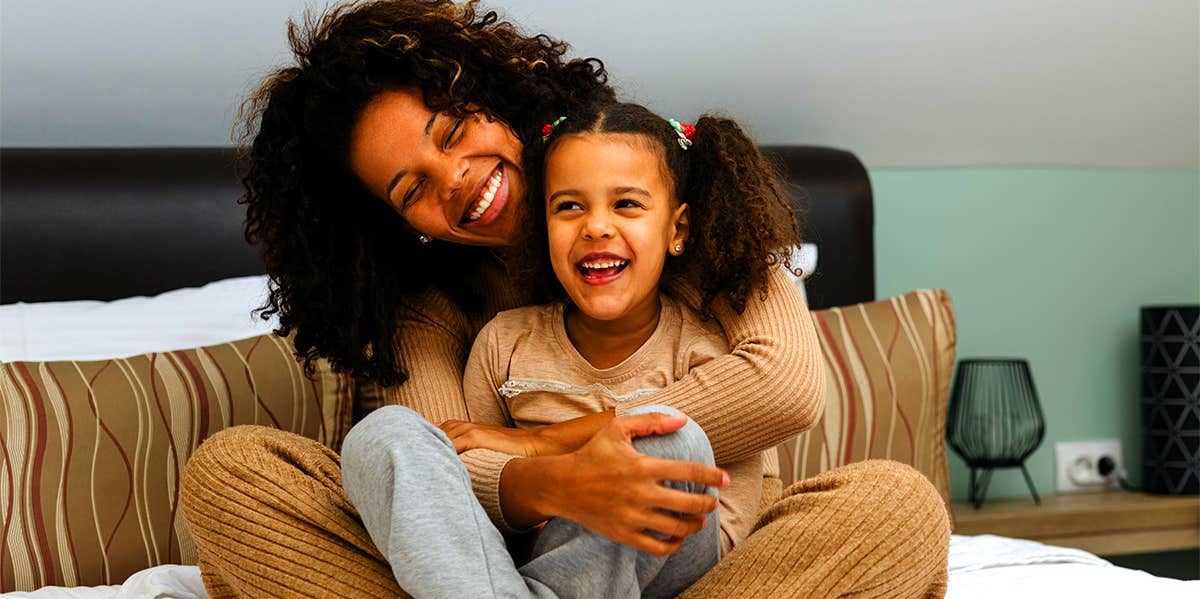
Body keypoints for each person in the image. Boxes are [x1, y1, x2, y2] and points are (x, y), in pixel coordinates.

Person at [180, 1, 951, 597]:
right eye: (411, 186)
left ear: (495, 95)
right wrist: (549, 480)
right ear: (395, 224)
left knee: (895, 504)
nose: (454, 180)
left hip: (710, 575)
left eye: (451, 133)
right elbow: (433, 476)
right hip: (507, 572)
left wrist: (539, 440)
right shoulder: (433, 314)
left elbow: (782, 386)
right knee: (233, 474)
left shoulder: (687, 213)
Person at [342, 102, 802, 597]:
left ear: (678, 230)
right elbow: (460, 483)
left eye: (626, 204)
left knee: (671, 438)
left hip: (678, 568)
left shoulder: (709, 337)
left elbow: (773, 413)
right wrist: (555, 486)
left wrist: (542, 444)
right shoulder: (503, 342)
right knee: (381, 435)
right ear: (542, 227)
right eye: (569, 206)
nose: (596, 227)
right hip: (531, 571)